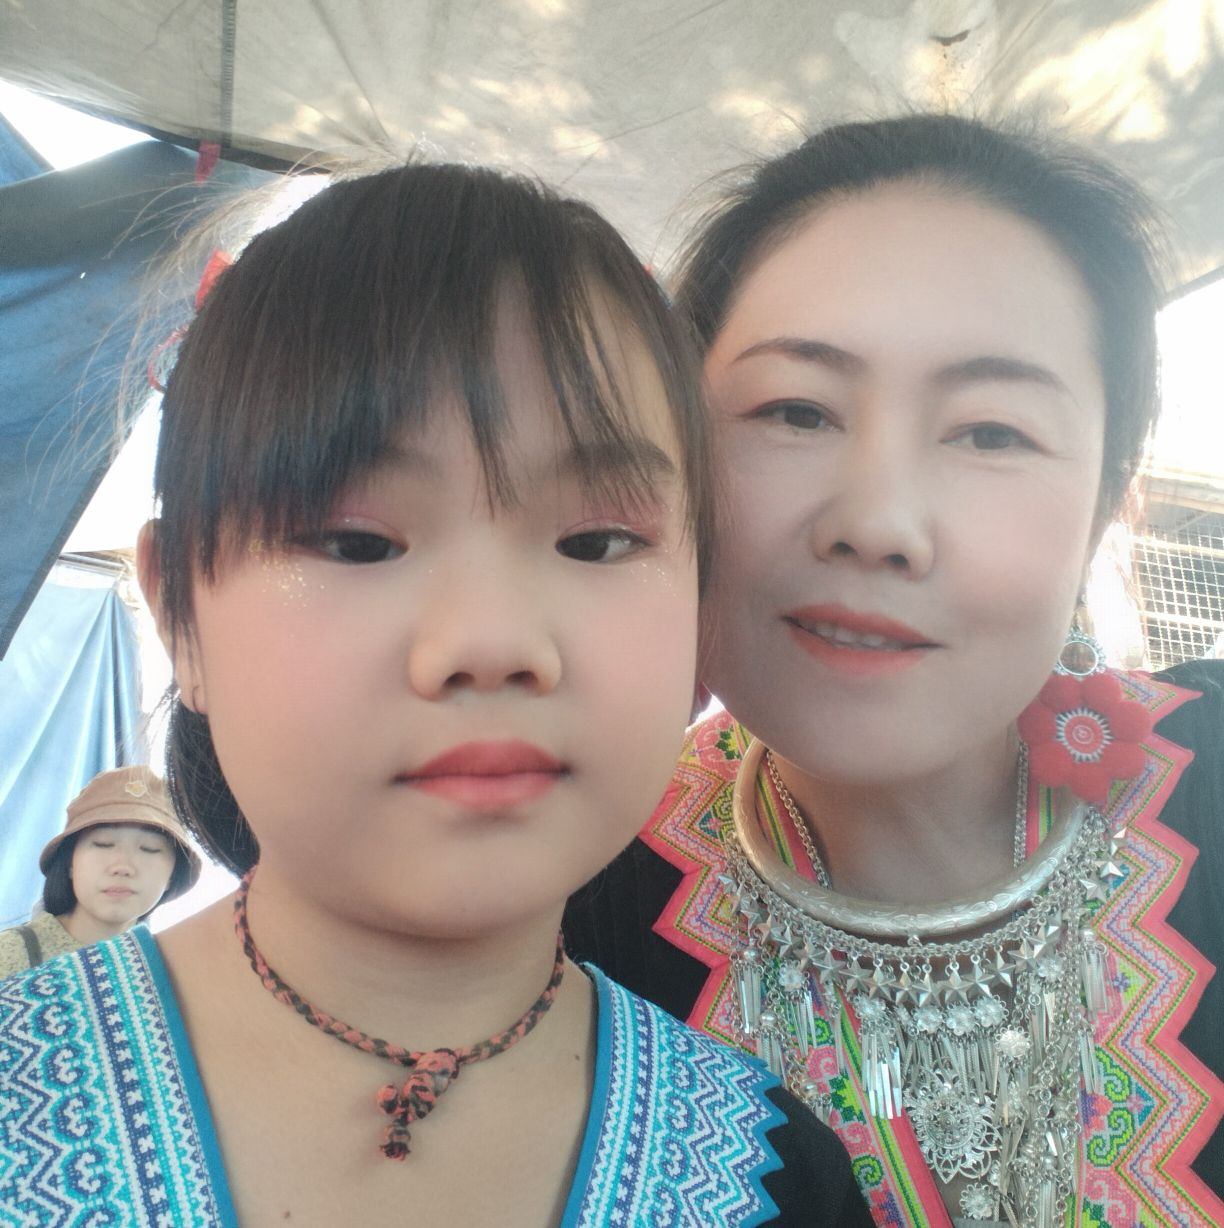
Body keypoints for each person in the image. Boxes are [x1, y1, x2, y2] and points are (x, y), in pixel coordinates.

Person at [0, 163, 871, 1226]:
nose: (492, 643)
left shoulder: (779, 1178)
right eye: (356, 541)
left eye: (598, 541)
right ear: (179, 611)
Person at [565, 115, 1224, 1227]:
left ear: (1110, 501)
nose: (876, 522)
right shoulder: (570, 913)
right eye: (795, 411)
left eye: (991, 433)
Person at [0, 764, 200, 976]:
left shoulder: (174, 972)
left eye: (149, 849)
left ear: (172, 876)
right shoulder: (10, 953)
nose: (123, 867)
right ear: (70, 862)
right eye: (103, 844)